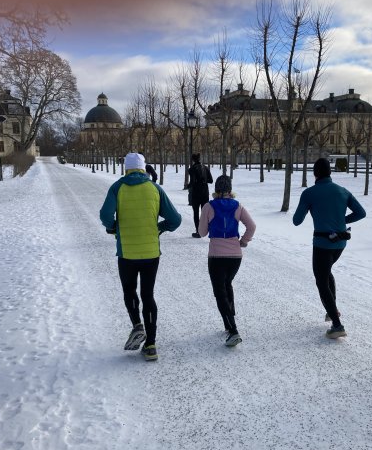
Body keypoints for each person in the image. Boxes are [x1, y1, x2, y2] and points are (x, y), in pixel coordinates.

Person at [100, 152, 182, 361]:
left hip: (126, 252)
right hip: (151, 253)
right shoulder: (154, 188)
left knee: (129, 291)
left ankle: (137, 325)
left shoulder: (117, 187)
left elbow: (105, 216)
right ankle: (151, 344)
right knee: (148, 295)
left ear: (126, 169)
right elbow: (175, 219)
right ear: (144, 168)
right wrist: (159, 228)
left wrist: (114, 227)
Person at [292, 158, 366, 339]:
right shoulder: (342, 191)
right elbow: (361, 213)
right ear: (330, 172)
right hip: (340, 243)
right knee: (327, 272)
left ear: (315, 173)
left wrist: (312, 209)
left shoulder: (310, 193)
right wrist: (342, 220)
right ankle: (332, 310)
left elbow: (296, 220)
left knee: (321, 280)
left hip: (322, 243)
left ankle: (337, 324)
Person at [198, 175, 256, 347]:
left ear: (215, 189)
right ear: (230, 190)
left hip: (216, 255)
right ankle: (229, 320)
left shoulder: (209, 206)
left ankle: (233, 330)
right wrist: (244, 241)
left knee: (219, 292)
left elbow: (202, 232)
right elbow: (252, 226)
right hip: (235, 256)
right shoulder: (238, 206)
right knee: (227, 283)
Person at [188, 153, 213, 238]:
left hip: (196, 193)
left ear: (193, 160)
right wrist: (204, 180)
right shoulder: (205, 168)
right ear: (200, 159)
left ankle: (198, 232)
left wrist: (188, 186)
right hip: (205, 192)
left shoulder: (191, 169)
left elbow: (192, 182)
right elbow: (211, 180)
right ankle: (206, 230)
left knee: (196, 212)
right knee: (205, 212)